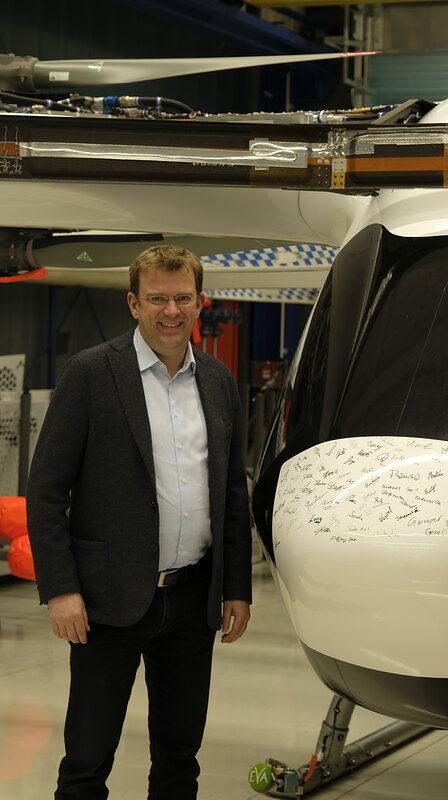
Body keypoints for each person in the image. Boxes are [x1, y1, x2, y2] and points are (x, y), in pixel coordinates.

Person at [26, 245, 253, 799]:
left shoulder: (218, 381)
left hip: (192, 598)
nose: (171, 311)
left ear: (200, 302)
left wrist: (236, 588)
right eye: (157, 299)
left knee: (179, 756)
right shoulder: (90, 374)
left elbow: (230, 492)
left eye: (182, 298)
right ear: (134, 303)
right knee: (87, 759)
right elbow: (46, 490)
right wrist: (61, 589)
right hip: (107, 601)